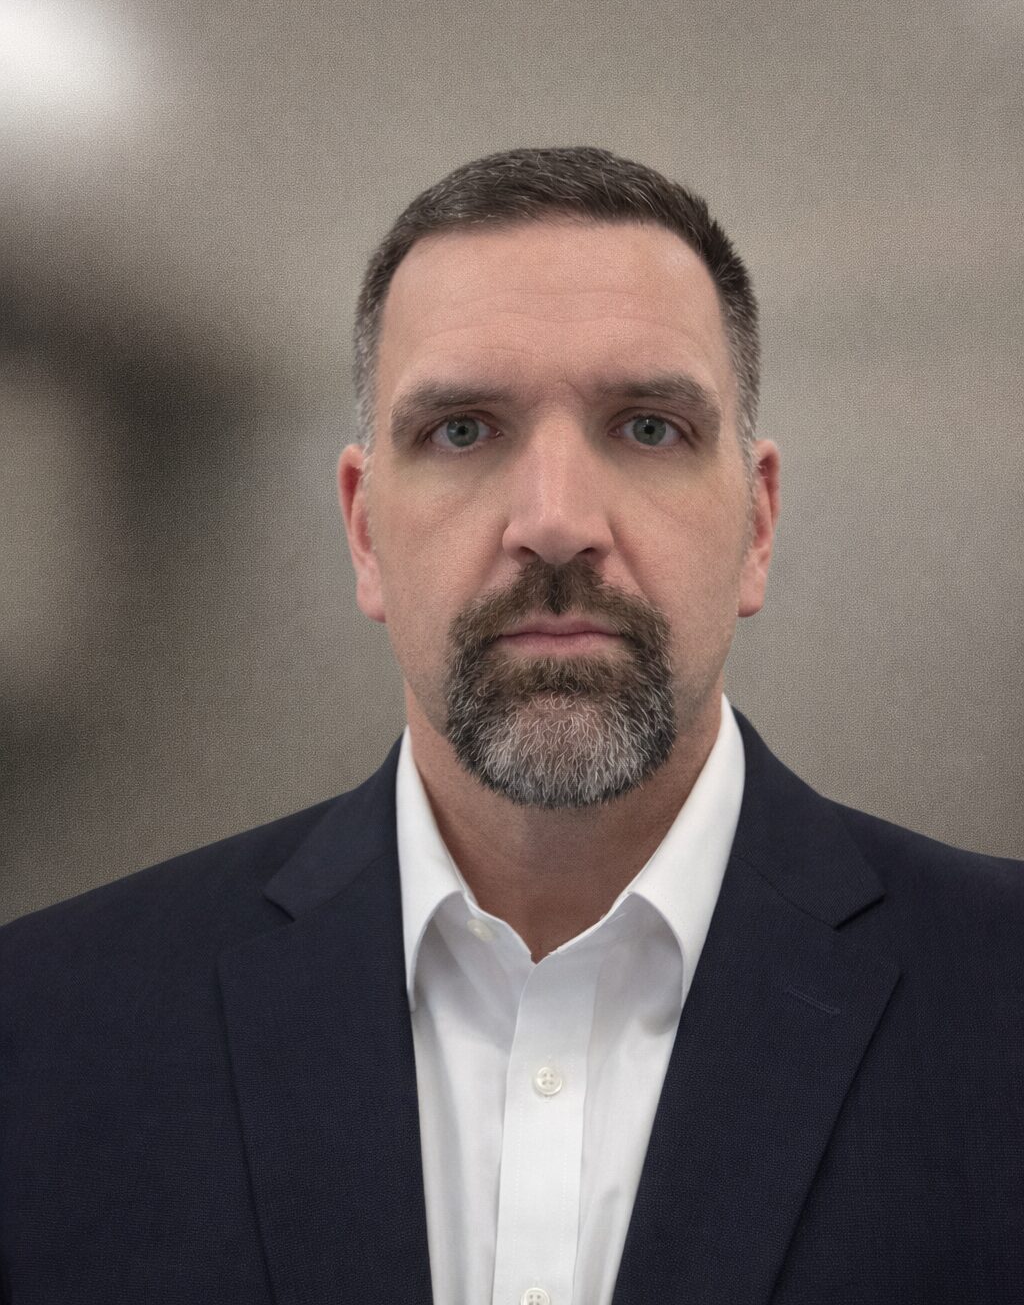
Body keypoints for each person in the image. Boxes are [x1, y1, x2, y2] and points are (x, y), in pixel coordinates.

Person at [0, 146, 1021, 1305]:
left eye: (645, 427)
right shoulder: (45, 1039)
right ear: (365, 531)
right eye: (464, 431)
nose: (553, 522)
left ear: (757, 525)